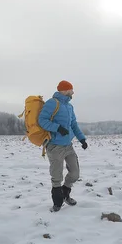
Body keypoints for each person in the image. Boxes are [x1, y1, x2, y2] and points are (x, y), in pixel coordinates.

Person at [38, 80, 88, 211]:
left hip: (68, 146)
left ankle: (65, 193)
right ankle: (57, 203)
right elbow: (41, 120)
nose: (73, 92)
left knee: (75, 174)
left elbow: (74, 125)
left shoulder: (69, 107)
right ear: (65, 90)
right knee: (57, 177)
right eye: (71, 89)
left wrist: (82, 139)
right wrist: (57, 128)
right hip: (55, 147)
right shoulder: (52, 103)